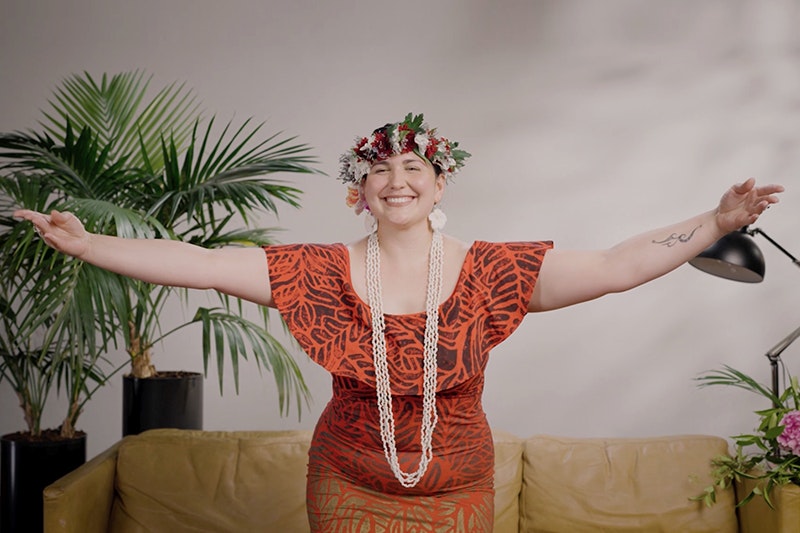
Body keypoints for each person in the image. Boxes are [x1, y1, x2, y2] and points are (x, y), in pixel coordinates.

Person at [14, 112, 784, 532]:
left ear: (439, 180)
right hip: (349, 486)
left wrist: (714, 222)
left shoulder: (491, 272)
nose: (396, 177)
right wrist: (91, 244)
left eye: (414, 165)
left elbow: (617, 266)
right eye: (379, 168)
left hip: (460, 492)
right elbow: (202, 262)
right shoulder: (319, 274)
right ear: (361, 192)